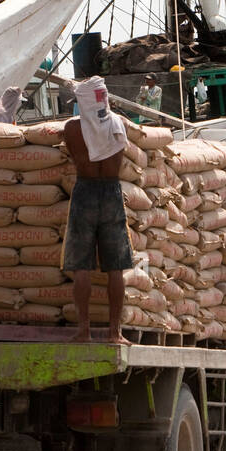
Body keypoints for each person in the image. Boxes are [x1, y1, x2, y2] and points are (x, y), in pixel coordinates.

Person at [62, 76, 135, 344]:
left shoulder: (72, 129)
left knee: (82, 266)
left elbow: (72, 154)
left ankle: (84, 330)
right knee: (115, 267)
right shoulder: (119, 124)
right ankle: (115, 333)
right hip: (112, 192)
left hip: (85, 191)